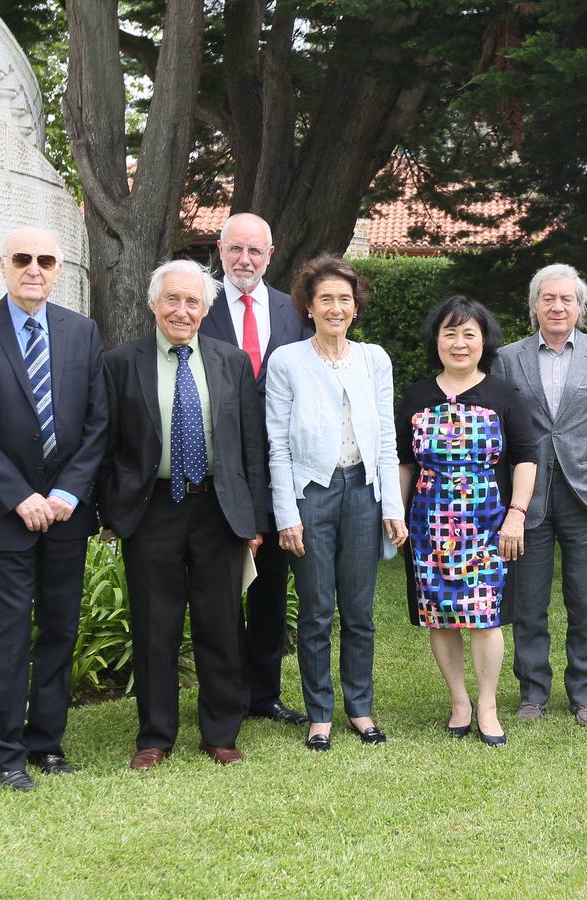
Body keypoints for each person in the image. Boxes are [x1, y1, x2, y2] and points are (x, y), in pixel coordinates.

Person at [0, 226, 109, 792]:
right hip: (2, 514)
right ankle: (3, 754)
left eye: (45, 260)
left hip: (66, 514)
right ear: (4, 266)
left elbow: (97, 423)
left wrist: (65, 494)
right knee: (9, 631)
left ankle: (46, 744)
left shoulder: (82, 332)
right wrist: (21, 497)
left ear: (59, 270)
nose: (33, 268)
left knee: (60, 628)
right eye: (22, 258)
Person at [99, 259, 270, 770]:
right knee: (156, 625)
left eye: (192, 301)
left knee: (220, 622)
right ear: (153, 304)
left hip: (218, 506)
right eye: (171, 299)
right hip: (152, 509)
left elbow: (250, 447)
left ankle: (220, 732)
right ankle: (155, 735)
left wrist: (255, 520)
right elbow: (105, 446)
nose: (181, 310)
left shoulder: (231, 361)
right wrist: (114, 509)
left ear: (205, 309)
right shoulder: (120, 363)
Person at [265, 256, 406, 751]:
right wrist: (287, 515)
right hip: (312, 495)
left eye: (345, 298)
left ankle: (360, 709)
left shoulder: (375, 359)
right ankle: (319, 713)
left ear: (356, 307)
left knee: (360, 610)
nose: (336, 307)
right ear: (308, 305)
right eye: (326, 298)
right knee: (317, 610)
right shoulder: (286, 361)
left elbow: (387, 436)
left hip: (364, 492)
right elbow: (276, 445)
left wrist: (393, 505)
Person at [397, 296, 539, 746]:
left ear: (484, 340)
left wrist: (516, 516)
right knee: (439, 616)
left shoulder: (503, 395)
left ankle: (489, 705)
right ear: (436, 340)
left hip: (489, 524)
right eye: (449, 333)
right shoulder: (417, 396)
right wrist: (397, 519)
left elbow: (527, 457)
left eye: (469, 334)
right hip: (428, 525)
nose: (459, 343)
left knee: (485, 616)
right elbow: (404, 461)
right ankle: (459, 701)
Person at [495, 264, 587, 727]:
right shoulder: (508, 358)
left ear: (580, 307)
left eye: (566, 299)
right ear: (534, 306)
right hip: (526, 499)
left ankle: (585, 694)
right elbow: (499, 430)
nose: (557, 306)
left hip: (586, 496)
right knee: (529, 603)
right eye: (548, 298)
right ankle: (532, 692)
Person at [199, 212, 311, 727]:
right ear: (220, 250)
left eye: (255, 251)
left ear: (271, 254)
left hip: (278, 474)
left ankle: (265, 694)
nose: (245, 260)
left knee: (269, 589)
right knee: (223, 588)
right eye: (235, 249)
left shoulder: (295, 313)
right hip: (217, 470)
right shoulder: (197, 304)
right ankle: (230, 694)